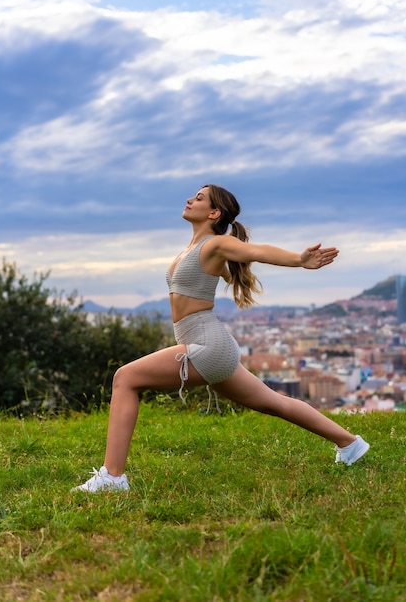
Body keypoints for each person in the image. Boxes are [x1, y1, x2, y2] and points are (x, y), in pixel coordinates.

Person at [72, 184, 369, 492]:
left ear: (214, 213)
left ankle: (113, 477)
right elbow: (229, 269)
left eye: (199, 198)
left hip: (207, 345)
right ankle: (350, 444)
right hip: (211, 345)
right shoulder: (195, 250)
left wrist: (299, 260)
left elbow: (256, 251)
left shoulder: (215, 244)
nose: (189, 199)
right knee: (275, 403)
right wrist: (232, 273)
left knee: (125, 378)